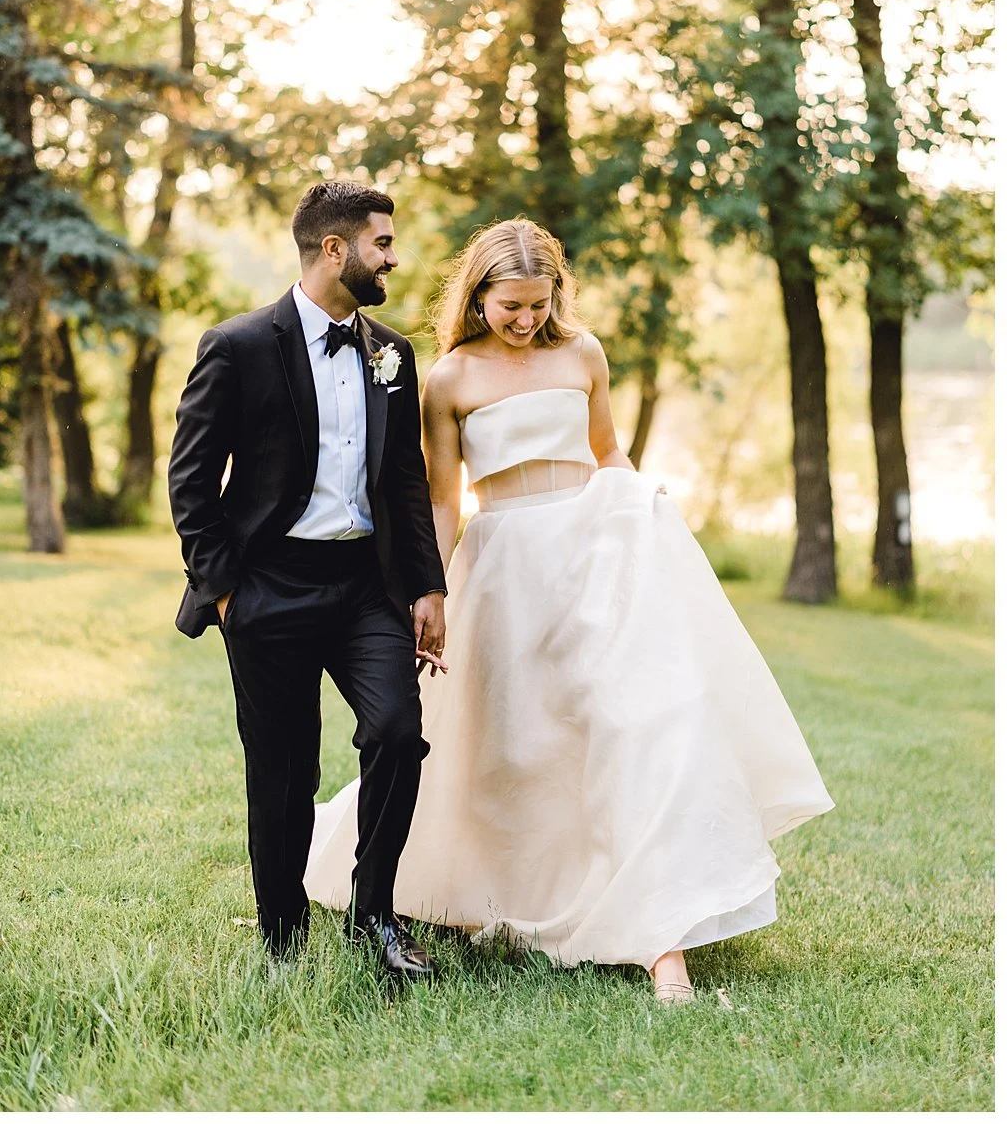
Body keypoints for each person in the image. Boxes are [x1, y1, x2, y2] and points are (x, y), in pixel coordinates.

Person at [303, 217, 834, 1002]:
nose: (523, 321)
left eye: (536, 304)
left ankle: (662, 941)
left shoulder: (582, 353)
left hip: (597, 552)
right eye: (507, 306)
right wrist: (430, 590)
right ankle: (491, 893)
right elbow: (446, 500)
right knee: (510, 745)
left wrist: (635, 501)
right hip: (508, 565)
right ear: (477, 296)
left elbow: (606, 447)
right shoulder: (449, 377)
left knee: (637, 725)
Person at [168, 180, 450, 978]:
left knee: (397, 733)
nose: (392, 256)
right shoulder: (239, 346)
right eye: (382, 243)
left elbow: (405, 477)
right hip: (270, 588)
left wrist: (427, 586)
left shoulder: (394, 352)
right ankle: (282, 937)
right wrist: (225, 590)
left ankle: (375, 920)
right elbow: (190, 479)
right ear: (337, 250)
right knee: (285, 772)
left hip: (367, 585)